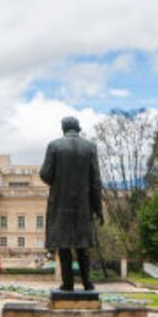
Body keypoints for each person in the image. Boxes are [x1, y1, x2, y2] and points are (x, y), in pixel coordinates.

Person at [39, 115, 104, 292]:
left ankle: (67, 284)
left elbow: (45, 174)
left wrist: (58, 179)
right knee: (83, 247)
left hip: (61, 205)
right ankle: (87, 283)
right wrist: (98, 208)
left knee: (64, 246)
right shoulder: (90, 147)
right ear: (78, 127)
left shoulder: (54, 146)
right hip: (83, 206)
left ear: (64, 128)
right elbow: (95, 181)